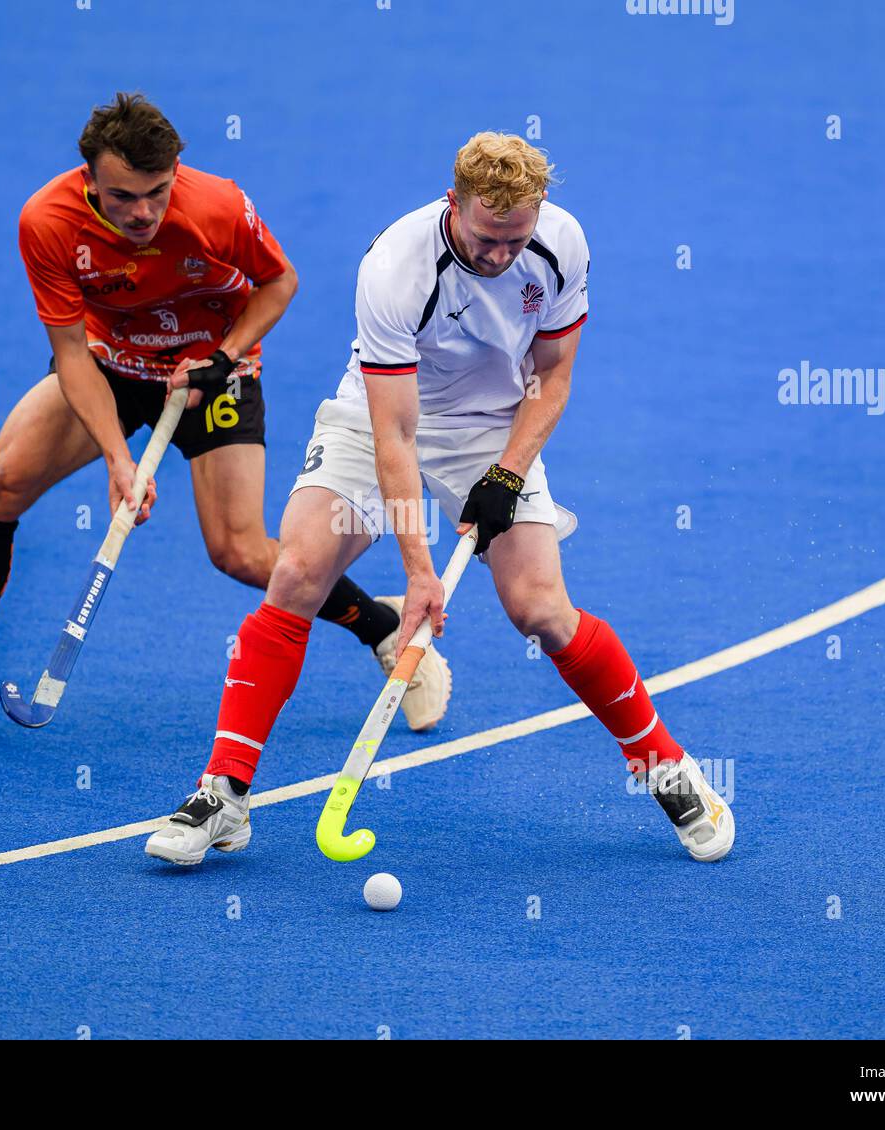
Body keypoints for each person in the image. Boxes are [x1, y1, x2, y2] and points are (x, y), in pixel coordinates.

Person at [145, 131, 734, 866]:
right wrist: (418, 571)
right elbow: (393, 436)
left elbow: (551, 379)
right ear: (454, 203)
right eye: (487, 238)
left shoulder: (561, 245)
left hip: (490, 426)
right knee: (297, 571)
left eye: (515, 239)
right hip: (379, 412)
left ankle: (664, 766)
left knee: (541, 610)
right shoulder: (395, 266)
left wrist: (507, 474)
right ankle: (224, 794)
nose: (499, 256)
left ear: (539, 211)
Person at [0, 93, 450, 747]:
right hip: (109, 366)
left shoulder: (218, 206)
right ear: (88, 177)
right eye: (123, 197)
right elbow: (69, 351)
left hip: (212, 375)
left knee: (238, 551)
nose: (144, 212)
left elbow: (279, 282)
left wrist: (223, 356)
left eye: (157, 190)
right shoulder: (48, 222)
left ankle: (379, 626)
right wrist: (119, 459)